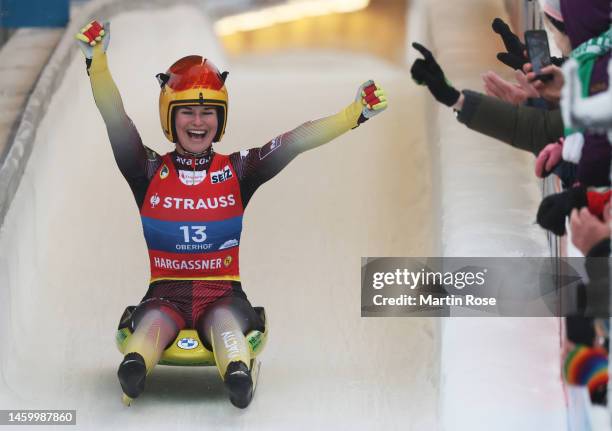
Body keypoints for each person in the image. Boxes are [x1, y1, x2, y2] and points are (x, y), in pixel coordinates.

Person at [75, 20, 387, 408]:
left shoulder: (238, 170)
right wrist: (97, 61)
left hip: (222, 294)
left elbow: (294, 142)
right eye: (187, 111)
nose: (198, 122)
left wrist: (352, 114)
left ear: (221, 119)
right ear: (169, 117)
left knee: (223, 323)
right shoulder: (148, 170)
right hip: (165, 293)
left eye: (208, 113)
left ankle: (235, 370)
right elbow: (114, 116)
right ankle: (136, 364)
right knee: (153, 323)